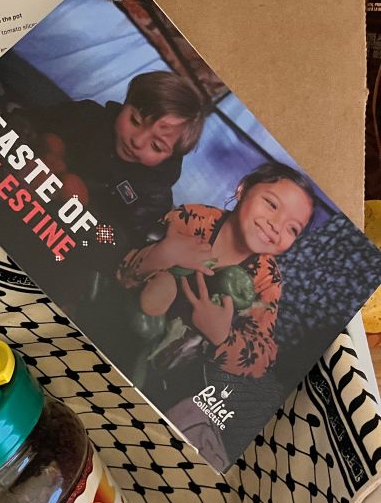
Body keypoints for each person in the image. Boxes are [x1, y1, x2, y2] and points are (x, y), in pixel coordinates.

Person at [11, 70, 208, 306]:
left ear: (170, 156)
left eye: (156, 145)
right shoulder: (88, 117)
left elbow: (124, 242)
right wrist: (32, 138)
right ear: (125, 104)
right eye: (134, 121)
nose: (137, 140)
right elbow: (34, 120)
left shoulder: (153, 194)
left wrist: (82, 211)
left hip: (67, 243)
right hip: (19, 191)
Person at [118, 161, 316, 384]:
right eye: (271, 204)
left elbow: (262, 356)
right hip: (132, 320)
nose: (277, 226)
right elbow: (121, 266)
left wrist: (222, 335)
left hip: (178, 360)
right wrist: (162, 254)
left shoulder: (267, 279)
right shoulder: (194, 218)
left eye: (292, 229)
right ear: (242, 189)